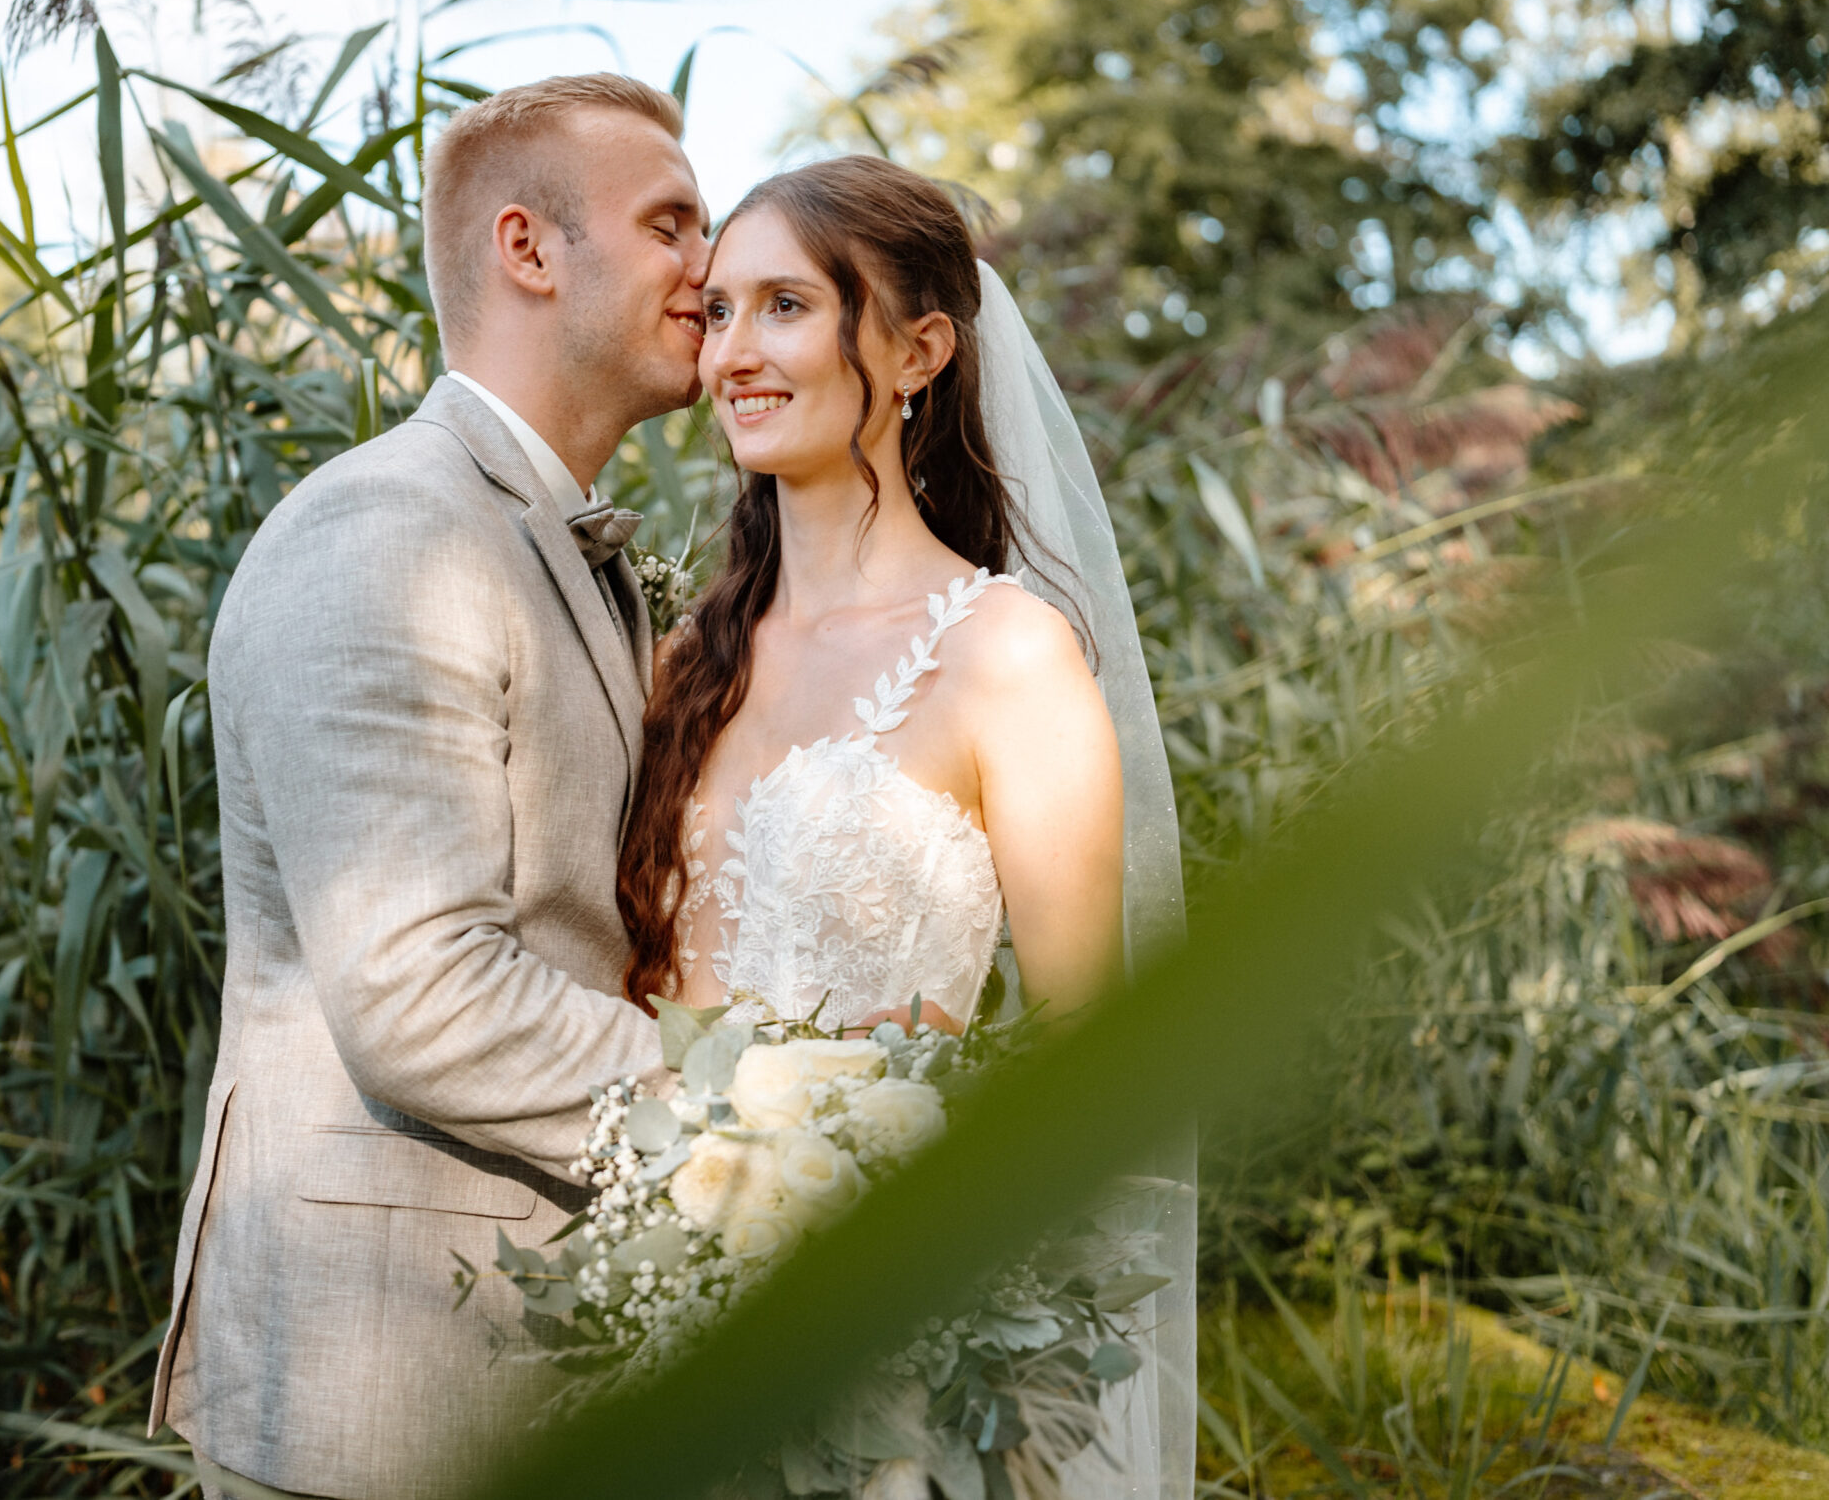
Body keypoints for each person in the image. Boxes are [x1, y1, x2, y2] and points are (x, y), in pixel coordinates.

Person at [151, 73, 712, 1500]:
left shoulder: (554, 541)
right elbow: (419, 991)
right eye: (670, 224)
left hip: (523, 1359)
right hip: (376, 1402)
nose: (709, 272)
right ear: (530, 249)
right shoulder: (385, 530)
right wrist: (755, 1114)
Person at [615, 155, 1194, 1499]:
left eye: (787, 309)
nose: (733, 356)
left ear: (920, 346)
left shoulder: (1007, 657)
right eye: (720, 313)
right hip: (641, 1313)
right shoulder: (683, 655)